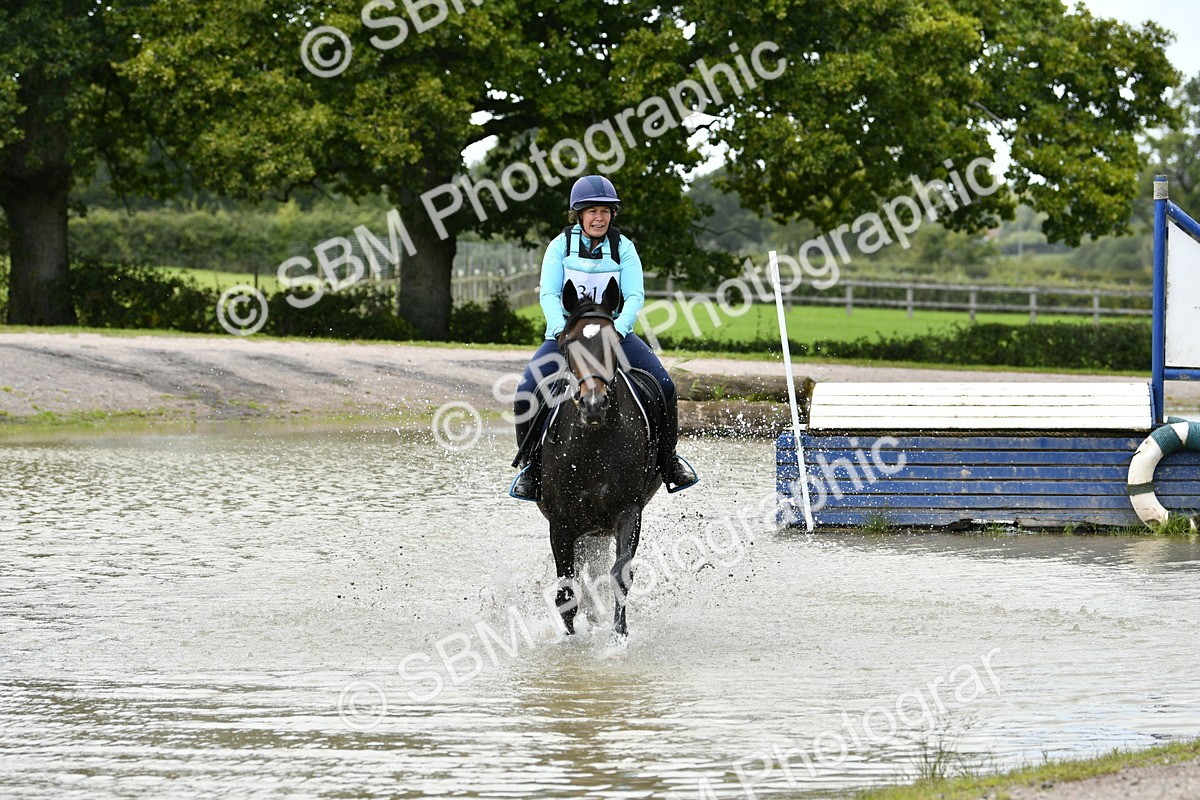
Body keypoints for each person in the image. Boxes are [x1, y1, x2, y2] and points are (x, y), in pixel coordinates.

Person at [509, 175, 699, 501]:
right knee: (526, 390)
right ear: (579, 215)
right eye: (592, 211)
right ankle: (530, 469)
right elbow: (550, 296)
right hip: (567, 336)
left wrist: (619, 330)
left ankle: (669, 462)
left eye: (605, 211)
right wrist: (559, 332)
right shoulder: (559, 246)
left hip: (614, 333)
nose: (599, 217)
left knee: (665, 386)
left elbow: (635, 295)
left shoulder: (623, 247)